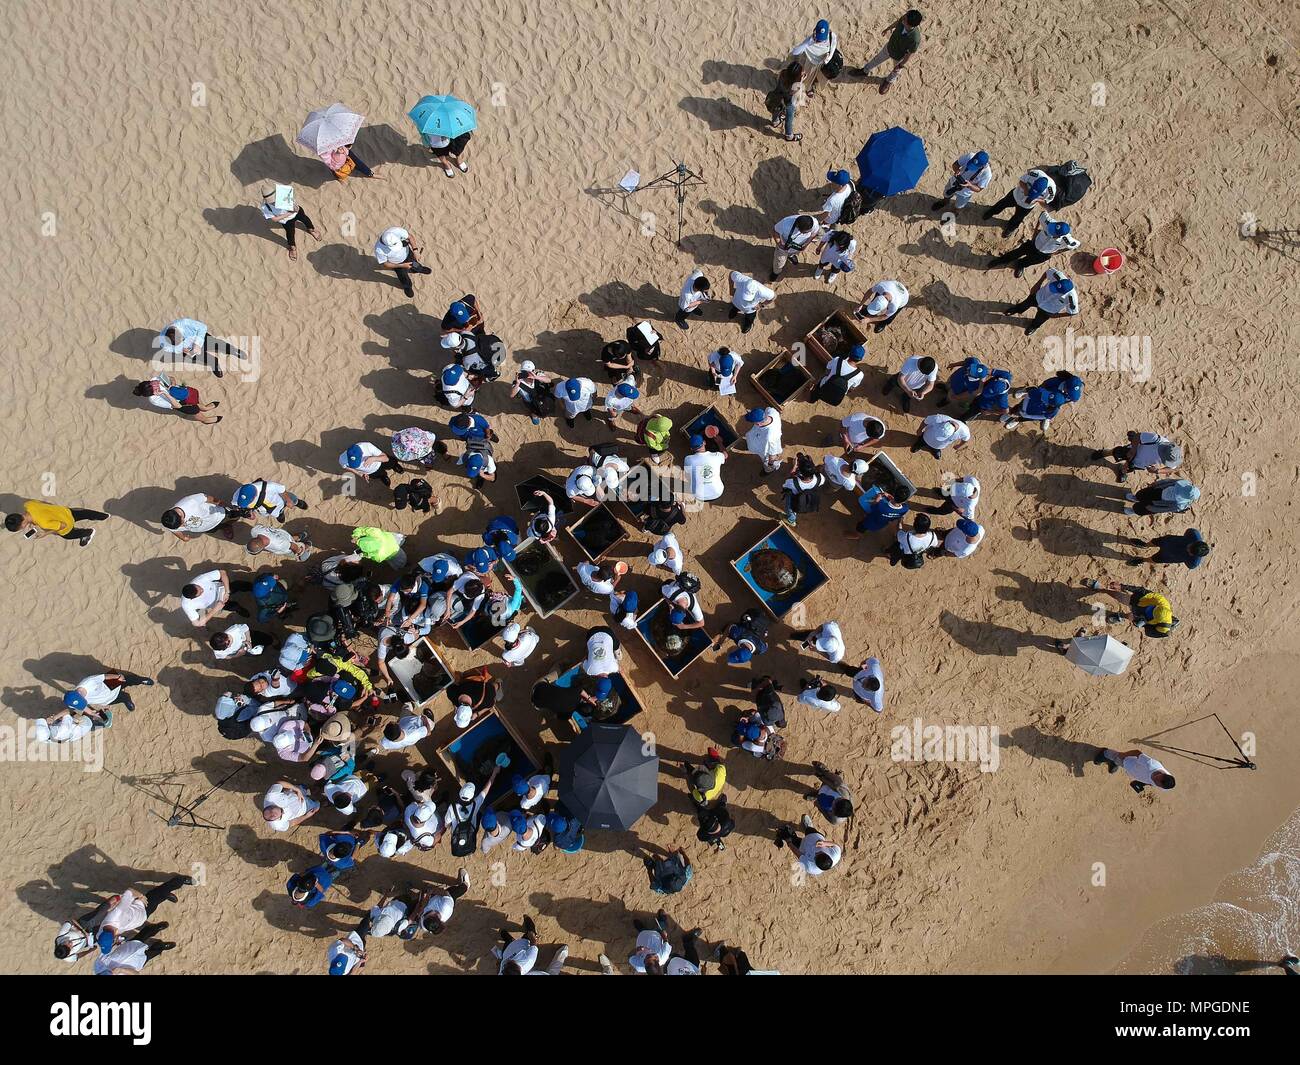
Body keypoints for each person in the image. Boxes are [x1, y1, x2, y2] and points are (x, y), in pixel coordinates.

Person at [989, 212, 1081, 276]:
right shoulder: (1049, 223)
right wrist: (1035, 232)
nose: (1051, 230)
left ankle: (1021, 265)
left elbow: (1075, 245)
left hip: (1044, 254)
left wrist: (1055, 253)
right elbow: (1042, 215)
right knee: (1016, 253)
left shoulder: (1067, 240)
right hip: (1033, 244)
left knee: (1029, 261)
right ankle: (1001, 261)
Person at [1083, 579, 1180, 638]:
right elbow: (1140, 590)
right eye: (1152, 609)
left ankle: (1121, 616)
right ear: (1158, 605)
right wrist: (1121, 586)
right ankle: (1101, 588)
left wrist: (1143, 623)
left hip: (1140, 616)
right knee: (1118, 596)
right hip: (1137, 602)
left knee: (1131, 617)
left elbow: (1149, 632)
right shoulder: (1161, 600)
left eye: (1151, 613)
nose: (1149, 611)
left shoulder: (1163, 628)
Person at [155, 318, 248, 379]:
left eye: (182, 339)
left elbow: (203, 327)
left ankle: (233, 350)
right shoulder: (163, 341)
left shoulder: (184, 323)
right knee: (203, 357)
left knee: (218, 344)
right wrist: (181, 349)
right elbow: (169, 349)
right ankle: (214, 362)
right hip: (188, 350)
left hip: (199, 338)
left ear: (179, 332)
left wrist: (197, 344)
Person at [862, 9, 923, 94]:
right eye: (905, 15)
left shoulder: (915, 39)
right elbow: (897, 23)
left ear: (909, 24)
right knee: (877, 59)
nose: (903, 18)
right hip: (889, 47)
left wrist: (901, 65)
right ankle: (865, 70)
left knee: (896, 71)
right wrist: (887, 29)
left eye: (905, 18)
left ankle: (889, 81)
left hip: (899, 56)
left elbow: (910, 54)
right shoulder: (904, 19)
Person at [983, 168, 1056, 236]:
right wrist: (1025, 189)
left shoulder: (1051, 190)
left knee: (1018, 218)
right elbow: (1021, 181)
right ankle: (991, 212)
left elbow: (1046, 203)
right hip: (1016, 195)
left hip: (1027, 205)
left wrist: (1037, 199)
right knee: (1002, 204)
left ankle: (1010, 228)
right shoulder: (1034, 173)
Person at [5, 500, 107, 548]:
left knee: (67, 535)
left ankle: (87, 533)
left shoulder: (43, 524)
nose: (22, 528)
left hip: (67, 524)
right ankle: (103, 516)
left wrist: (45, 533)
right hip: (65, 511)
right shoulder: (27, 505)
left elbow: (62, 526)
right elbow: (43, 504)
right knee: (84, 513)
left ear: (23, 524)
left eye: (20, 528)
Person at [1093, 432, 1184, 484]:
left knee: (1129, 468)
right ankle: (1104, 453)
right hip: (1131, 452)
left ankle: (1122, 471)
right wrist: (1133, 450)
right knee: (1116, 452)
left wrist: (1157, 471)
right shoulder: (1156, 439)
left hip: (1142, 464)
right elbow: (1138, 436)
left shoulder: (1173, 459)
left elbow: (1171, 469)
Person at [259, 184, 319, 261]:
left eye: (275, 199)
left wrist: (295, 208)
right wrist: (289, 213)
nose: (274, 202)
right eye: (272, 202)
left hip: (296, 212)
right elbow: (275, 219)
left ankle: (311, 230)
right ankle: (293, 248)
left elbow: (293, 203)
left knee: (305, 219)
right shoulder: (265, 207)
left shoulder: (284, 193)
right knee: (290, 234)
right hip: (286, 221)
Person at [133, 373, 221, 424]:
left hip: (182, 391)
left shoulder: (155, 379)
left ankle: (205, 408)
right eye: (156, 386)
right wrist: (164, 393)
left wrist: (173, 383)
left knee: (196, 401)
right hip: (181, 403)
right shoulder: (154, 400)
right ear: (153, 393)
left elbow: (171, 378)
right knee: (195, 410)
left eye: (153, 382)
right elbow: (178, 406)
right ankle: (206, 420)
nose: (157, 382)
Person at [373, 226, 431, 299]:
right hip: (398, 265)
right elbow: (385, 264)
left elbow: (410, 237)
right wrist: (402, 265)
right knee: (403, 277)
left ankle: (420, 269)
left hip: (408, 255)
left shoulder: (396, 231)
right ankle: (408, 287)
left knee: (415, 264)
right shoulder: (379, 250)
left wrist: (415, 251)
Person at [180, 569, 249, 626]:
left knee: (238, 585)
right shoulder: (186, 604)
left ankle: (251, 587)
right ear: (193, 598)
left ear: (193, 584)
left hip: (223, 589)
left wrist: (227, 592)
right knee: (234, 606)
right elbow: (197, 623)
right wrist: (215, 609)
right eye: (200, 593)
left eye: (199, 587)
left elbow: (222, 572)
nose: (202, 590)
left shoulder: (200, 580)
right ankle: (240, 610)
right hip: (217, 603)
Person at [776, 815, 842, 874]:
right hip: (814, 837)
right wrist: (825, 843)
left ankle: (793, 837)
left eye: (816, 856)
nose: (816, 852)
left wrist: (789, 843)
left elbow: (798, 853)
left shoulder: (810, 867)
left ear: (815, 863)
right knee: (809, 830)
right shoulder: (836, 855)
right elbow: (836, 845)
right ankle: (808, 827)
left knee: (794, 840)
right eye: (820, 852)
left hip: (802, 847)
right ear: (828, 855)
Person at [64, 671, 153, 715]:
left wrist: (118, 677)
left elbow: (104, 677)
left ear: (78, 692)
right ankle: (126, 699)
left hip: (109, 685)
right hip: (107, 699)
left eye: (83, 701)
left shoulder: (88, 682)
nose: (85, 703)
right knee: (123, 698)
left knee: (127, 680)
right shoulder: (72, 702)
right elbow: (87, 709)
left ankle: (141, 680)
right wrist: (98, 715)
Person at [1093, 748, 1176, 794]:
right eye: (1157, 779)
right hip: (1129, 761)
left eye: (1158, 784)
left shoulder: (1165, 785)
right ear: (1163, 774)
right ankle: (1104, 753)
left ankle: (1113, 762)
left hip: (1132, 770)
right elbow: (1137, 752)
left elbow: (1153, 783)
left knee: (1117, 762)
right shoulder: (1150, 764)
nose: (1155, 780)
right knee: (1115, 756)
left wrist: (1142, 783)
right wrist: (1124, 754)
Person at [414, 870, 471, 936]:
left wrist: (423, 899)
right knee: (460, 889)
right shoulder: (446, 907)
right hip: (446, 897)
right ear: (436, 916)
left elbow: (419, 911)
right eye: (428, 913)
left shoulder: (424, 924)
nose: (425, 913)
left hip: (432, 899)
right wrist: (431, 891)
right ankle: (465, 884)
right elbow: (445, 893)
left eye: (425, 915)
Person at [790, 18, 839, 93]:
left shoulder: (832, 37)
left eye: (822, 38)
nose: (819, 40)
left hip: (822, 62)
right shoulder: (810, 41)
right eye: (818, 38)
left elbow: (833, 47)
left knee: (821, 76)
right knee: (807, 78)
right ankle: (808, 88)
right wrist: (807, 43)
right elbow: (795, 52)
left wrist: (828, 58)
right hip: (811, 62)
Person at [1125, 529, 1211, 570]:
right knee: (1155, 541)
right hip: (1169, 541)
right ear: (1195, 542)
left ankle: (1142, 560)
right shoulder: (1194, 534)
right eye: (1190, 546)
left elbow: (1190, 566)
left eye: (1190, 552)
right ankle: (1145, 545)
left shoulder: (1194, 562)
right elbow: (1188, 531)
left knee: (1155, 559)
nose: (1187, 549)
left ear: (1194, 556)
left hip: (1170, 556)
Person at [765, 61, 808, 142]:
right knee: (789, 118)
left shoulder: (783, 73)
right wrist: (801, 81)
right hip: (788, 102)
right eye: (801, 72)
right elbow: (793, 93)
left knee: (777, 109)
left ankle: (775, 122)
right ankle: (789, 136)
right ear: (796, 77)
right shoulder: (795, 84)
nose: (803, 72)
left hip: (777, 96)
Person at [771, 213, 823, 281]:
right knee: (779, 262)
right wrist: (780, 245)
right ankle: (776, 272)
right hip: (784, 247)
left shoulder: (814, 223)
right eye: (804, 232)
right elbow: (775, 231)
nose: (805, 234)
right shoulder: (785, 223)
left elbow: (813, 234)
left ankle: (791, 255)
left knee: (793, 252)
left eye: (807, 232)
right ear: (797, 227)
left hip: (798, 246)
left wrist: (806, 245)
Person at [231, 479, 307, 523]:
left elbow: (282, 490)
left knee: (292, 499)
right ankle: (280, 514)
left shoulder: (268, 486)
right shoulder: (237, 497)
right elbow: (236, 505)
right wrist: (247, 514)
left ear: (255, 496)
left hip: (280, 499)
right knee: (277, 513)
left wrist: (289, 500)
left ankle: (297, 502)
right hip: (266, 509)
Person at [781, 453, 825, 526]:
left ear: (800, 471)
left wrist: (794, 467)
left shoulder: (793, 482)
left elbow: (785, 486)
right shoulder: (820, 478)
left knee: (789, 507)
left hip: (796, 497)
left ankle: (791, 519)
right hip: (810, 496)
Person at [805, 762, 855, 826]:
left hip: (824, 798)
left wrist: (818, 803)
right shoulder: (842, 789)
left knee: (820, 796)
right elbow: (834, 783)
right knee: (833, 779)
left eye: (834, 806)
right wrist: (821, 777)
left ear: (834, 813)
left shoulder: (835, 820)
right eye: (837, 800)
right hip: (830, 786)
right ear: (843, 798)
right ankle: (825, 771)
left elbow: (823, 812)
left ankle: (817, 796)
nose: (833, 801)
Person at [511, 360, 558, 424]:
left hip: (542, 396)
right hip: (531, 402)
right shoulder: (518, 381)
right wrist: (517, 384)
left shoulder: (538, 374)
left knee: (547, 405)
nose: (528, 374)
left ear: (533, 370)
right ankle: (534, 416)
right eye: (525, 372)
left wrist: (536, 377)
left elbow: (549, 380)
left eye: (530, 371)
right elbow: (512, 395)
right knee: (534, 410)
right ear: (522, 371)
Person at [1125, 478, 1199, 517]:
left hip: (1158, 502)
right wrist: (1156, 484)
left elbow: (1163, 509)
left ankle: (1133, 511)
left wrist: (1151, 508)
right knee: (1142, 494)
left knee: (1141, 508)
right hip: (1159, 489)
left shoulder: (1179, 505)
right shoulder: (1184, 482)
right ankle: (1135, 498)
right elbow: (1168, 481)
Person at [683, 435, 726, 502]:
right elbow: (725, 455)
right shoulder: (717, 456)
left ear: (691, 448)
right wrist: (719, 442)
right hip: (717, 493)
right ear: (704, 442)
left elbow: (687, 472)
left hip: (698, 496)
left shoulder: (688, 459)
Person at [742, 407, 784, 473]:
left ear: (758, 424)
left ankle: (769, 470)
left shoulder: (771, 437)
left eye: (753, 422)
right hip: (758, 438)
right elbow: (766, 410)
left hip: (764, 450)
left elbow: (772, 453)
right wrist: (753, 414)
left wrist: (770, 464)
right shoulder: (772, 411)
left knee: (766, 461)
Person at [247, 524, 313, 561]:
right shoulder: (254, 530)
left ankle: (306, 545)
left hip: (287, 545)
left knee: (297, 554)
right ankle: (300, 535)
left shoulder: (279, 545)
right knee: (290, 538)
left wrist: (298, 551)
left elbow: (293, 546)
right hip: (281, 534)